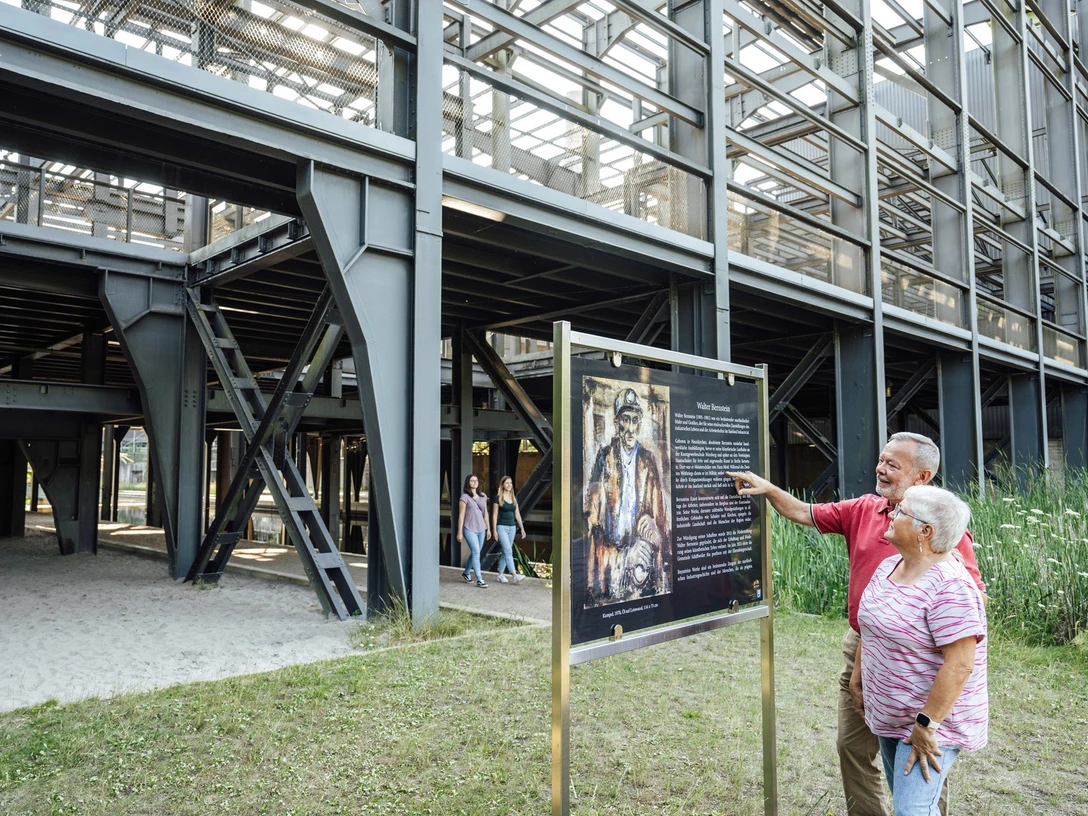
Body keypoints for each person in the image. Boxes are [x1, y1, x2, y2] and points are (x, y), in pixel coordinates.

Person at [728, 432, 984, 816]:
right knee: (853, 745)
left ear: (922, 476)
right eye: (881, 460)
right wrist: (767, 489)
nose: (880, 469)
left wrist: (933, 709)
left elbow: (965, 619)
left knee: (919, 764)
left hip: (919, 663)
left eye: (893, 465)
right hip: (867, 643)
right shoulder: (866, 513)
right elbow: (803, 513)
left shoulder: (945, 532)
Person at [855, 485, 987, 816]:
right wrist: (858, 678)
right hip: (890, 714)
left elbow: (959, 665)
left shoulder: (950, 586)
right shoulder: (889, 567)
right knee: (907, 803)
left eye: (901, 511)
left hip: (928, 722)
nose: (892, 513)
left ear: (924, 532)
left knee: (911, 811)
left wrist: (926, 725)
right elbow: (870, 627)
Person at [584, 387, 668, 605]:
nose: (630, 428)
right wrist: (619, 555)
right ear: (617, 422)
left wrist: (654, 535)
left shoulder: (648, 461)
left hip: (642, 555)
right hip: (612, 557)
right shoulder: (604, 458)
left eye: (635, 420)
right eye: (625, 419)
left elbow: (661, 519)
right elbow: (591, 519)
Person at [457, 474, 491, 588]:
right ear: (468, 483)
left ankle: (466, 572)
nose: (475, 482)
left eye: (476, 480)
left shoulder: (483, 496)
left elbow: (486, 514)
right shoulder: (464, 497)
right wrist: (459, 532)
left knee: (476, 552)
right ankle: (480, 579)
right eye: (472, 481)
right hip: (469, 528)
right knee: (476, 552)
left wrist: (489, 529)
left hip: (481, 528)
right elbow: (461, 516)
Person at [491, 475, 526, 584]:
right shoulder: (498, 498)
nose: (509, 485)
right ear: (502, 485)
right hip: (501, 527)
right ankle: (514, 575)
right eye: (506, 483)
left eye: (510, 483)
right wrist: (494, 530)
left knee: (506, 551)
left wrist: (522, 528)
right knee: (508, 551)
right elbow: (494, 514)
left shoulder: (514, 498)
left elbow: (517, 514)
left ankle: (500, 575)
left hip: (512, 527)